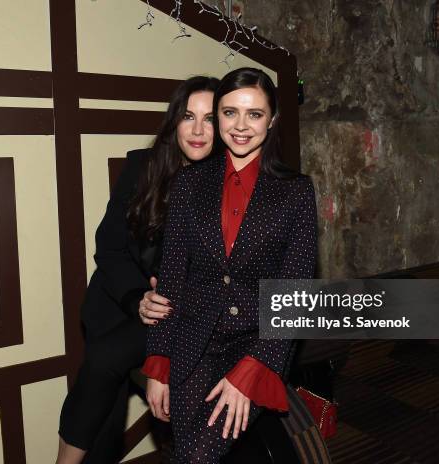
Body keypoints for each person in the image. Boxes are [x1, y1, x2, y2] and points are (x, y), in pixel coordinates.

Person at [143, 67, 318, 463]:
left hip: (254, 347)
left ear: (272, 121)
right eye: (229, 112)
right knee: (187, 452)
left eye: (254, 114)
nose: (241, 126)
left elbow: (294, 297)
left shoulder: (296, 192)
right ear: (217, 115)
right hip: (191, 345)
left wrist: (253, 369)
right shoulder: (189, 184)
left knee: (196, 457)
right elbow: (171, 278)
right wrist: (158, 363)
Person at [56, 75, 220, 464]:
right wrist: (136, 297)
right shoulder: (142, 167)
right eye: (187, 116)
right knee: (103, 417)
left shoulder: (226, 184)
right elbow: (109, 246)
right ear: (173, 122)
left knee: (103, 364)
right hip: (117, 301)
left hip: (175, 312)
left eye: (210, 118)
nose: (197, 130)